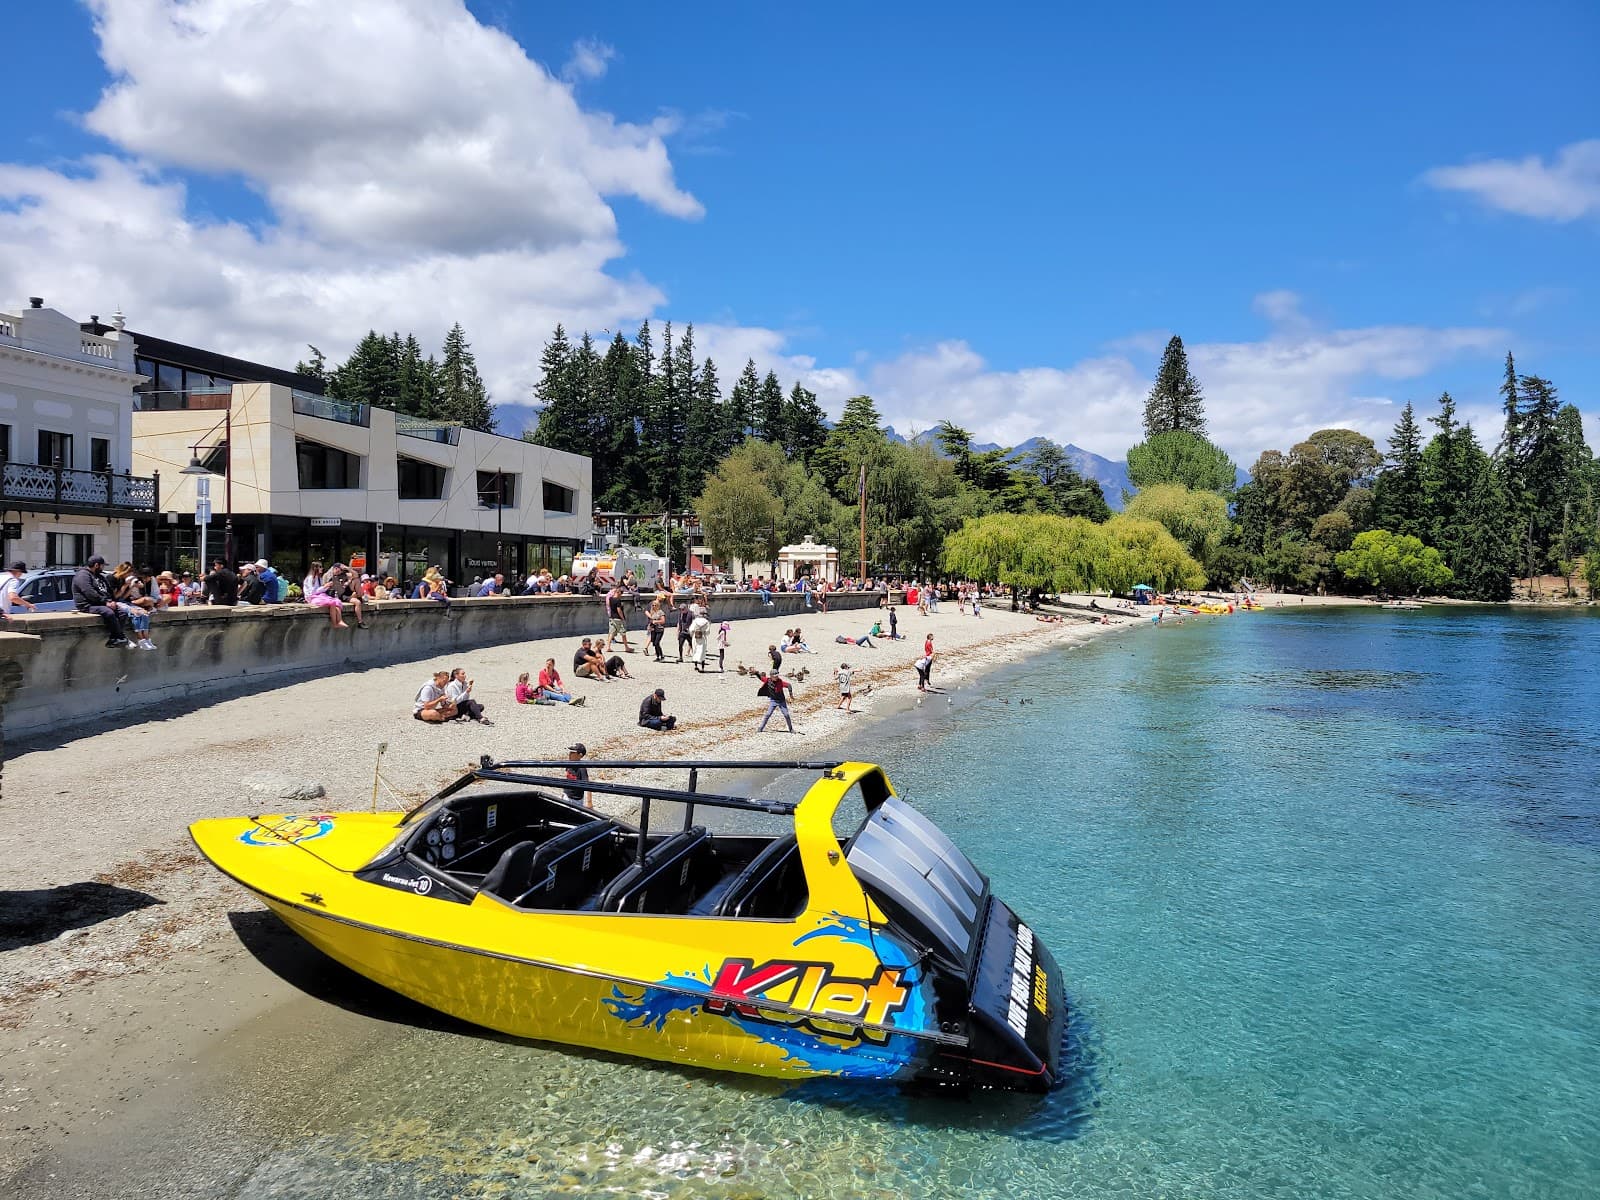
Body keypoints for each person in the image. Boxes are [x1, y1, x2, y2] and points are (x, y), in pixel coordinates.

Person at [603, 585, 633, 653]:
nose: (621, 594)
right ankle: (626, 647)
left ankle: (608, 646)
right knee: (623, 633)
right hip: (618, 618)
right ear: (618, 592)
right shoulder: (618, 600)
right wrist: (623, 618)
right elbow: (619, 610)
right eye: (621, 593)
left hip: (612, 617)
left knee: (611, 633)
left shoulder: (611, 599)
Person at [564, 743, 592, 807]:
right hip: (567, 796)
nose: (570, 754)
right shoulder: (568, 764)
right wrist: (564, 792)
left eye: (573, 753)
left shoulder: (581, 768)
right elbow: (567, 778)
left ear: (580, 755)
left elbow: (588, 785)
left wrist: (589, 802)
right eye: (570, 752)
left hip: (576, 800)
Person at [645, 597, 667, 662]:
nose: (654, 606)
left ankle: (662, 656)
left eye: (655, 605)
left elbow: (663, 621)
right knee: (654, 643)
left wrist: (656, 622)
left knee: (657, 643)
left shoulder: (661, 612)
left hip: (660, 629)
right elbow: (651, 620)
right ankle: (658, 656)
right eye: (653, 605)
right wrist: (650, 626)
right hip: (653, 629)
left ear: (658, 606)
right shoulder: (652, 612)